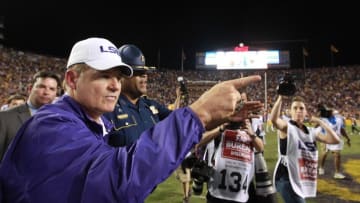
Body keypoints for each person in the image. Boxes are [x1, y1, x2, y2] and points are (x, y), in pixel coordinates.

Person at [0, 37, 262, 203]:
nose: (114, 85)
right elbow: (115, 181)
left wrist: (220, 122)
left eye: (118, 76)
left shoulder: (93, 122)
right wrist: (200, 112)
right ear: (71, 79)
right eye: (103, 75)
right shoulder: (51, 125)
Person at [104, 44, 180, 147]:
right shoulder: (107, 110)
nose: (145, 76)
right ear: (121, 76)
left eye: (145, 72)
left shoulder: (151, 105)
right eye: (138, 72)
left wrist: (180, 97)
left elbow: (178, 120)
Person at [270, 95, 340, 203]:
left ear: (306, 112)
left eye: (301, 108)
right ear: (290, 112)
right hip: (285, 178)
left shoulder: (312, 132)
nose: (298, 111)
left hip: (300, 178)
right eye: (295, 108)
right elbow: (274, 120)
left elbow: (335, 140)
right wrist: (280, 97)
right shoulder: (287, 127)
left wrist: (321, 122)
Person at [0, 70, 61, 161]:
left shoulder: (60, 121)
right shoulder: (5, 117)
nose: (46, 92)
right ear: (29, 88)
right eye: (42, 87)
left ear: (56, 93)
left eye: (52, 89)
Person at [318, 109, 351, 179]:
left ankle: (337, 173)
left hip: (335, 138)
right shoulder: (324, 119)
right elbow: (316, 126)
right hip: (325, 137)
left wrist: (347, 138)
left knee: (337, 154)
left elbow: (342, 130)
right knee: (324, 153)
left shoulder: (339, 120)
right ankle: (321, 167)